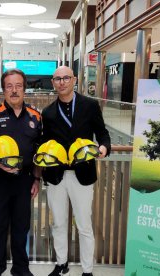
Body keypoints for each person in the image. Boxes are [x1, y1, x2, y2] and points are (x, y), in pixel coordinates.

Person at [41, 66, 111, 276]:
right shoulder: (48, 112)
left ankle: (87, 270)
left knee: (84, 225)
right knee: (59, 223)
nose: (62, 82)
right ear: (53, 83)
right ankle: (61, 264)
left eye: (66, 78)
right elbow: (45, 143)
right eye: (57, 79)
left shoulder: (89, 105)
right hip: (56, 176)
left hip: (83, 173)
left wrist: (103, 148)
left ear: (74, 80)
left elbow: (103, 133)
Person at [0, 69, 42, 276]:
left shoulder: (36, 116)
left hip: (24, 181)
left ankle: (20, 269)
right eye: (9, 86)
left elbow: (38, 151)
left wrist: (36, 178)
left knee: (21, 228)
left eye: (18, 86)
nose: (14, 90)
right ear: (3, 89)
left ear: (24, 88)